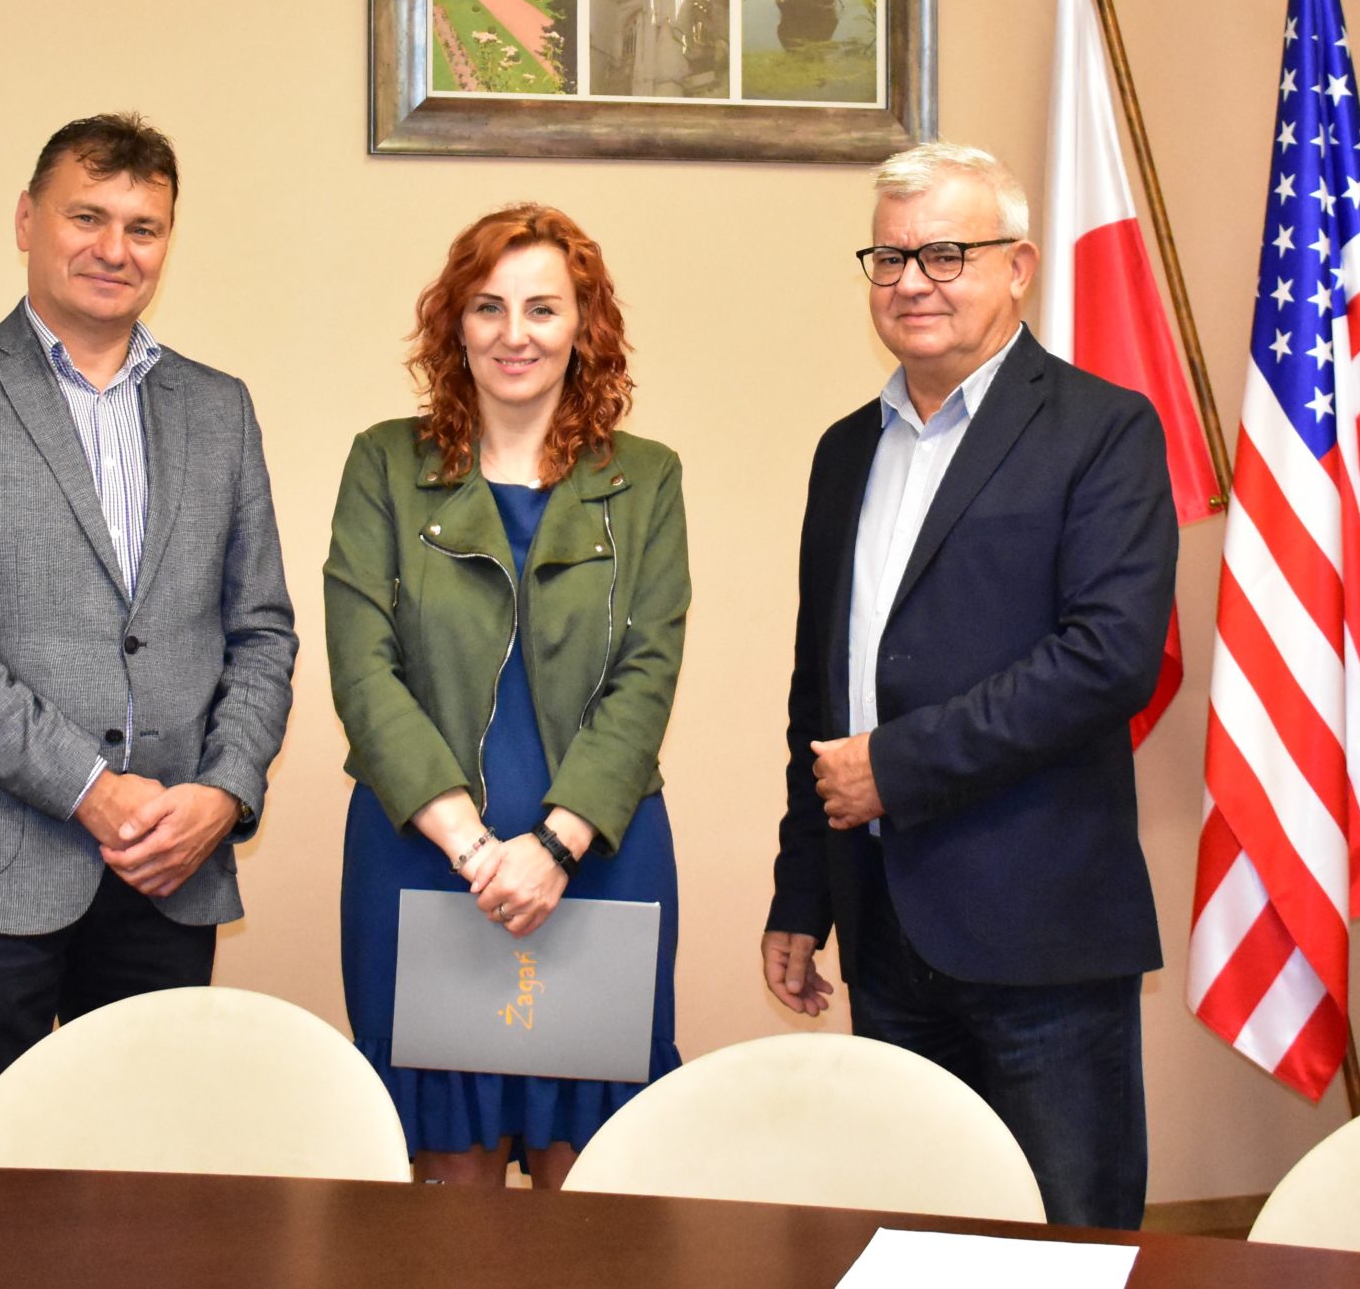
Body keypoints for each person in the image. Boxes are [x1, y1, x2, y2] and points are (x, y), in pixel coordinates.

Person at [0, 113, 297, 1166]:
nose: (114, 248)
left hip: (167, 879)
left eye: (143, 227)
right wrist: (91, 789)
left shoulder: (219, 409)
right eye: (86, 217)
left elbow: (262, 631)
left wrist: (224, 792)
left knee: (150, 1206)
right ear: (27, 220)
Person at [760, 142, 1178, 1228]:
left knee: (1067, 1241)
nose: (913, 282)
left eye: (946, 254)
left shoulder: (1104, 430)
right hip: (883, 927)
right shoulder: (843, 452)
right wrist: (802, 894)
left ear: (1019, 267)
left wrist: (894, 769)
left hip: (1040, 931)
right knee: (914, 1231)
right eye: (890, 257)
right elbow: (821, 690)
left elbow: (1108, 657)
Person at [326, 204, 689, 1188]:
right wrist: (477, 851)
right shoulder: (384, 464)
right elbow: (362, 670)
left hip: (598, 853)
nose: (513, 334)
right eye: (487, 306)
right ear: (455, 323)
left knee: (593, 1197)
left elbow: (648, 673)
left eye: (542, 308)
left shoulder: (646, 480)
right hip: (425, 852)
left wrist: (555, 847)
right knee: (451, 1212)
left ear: (584, 325)